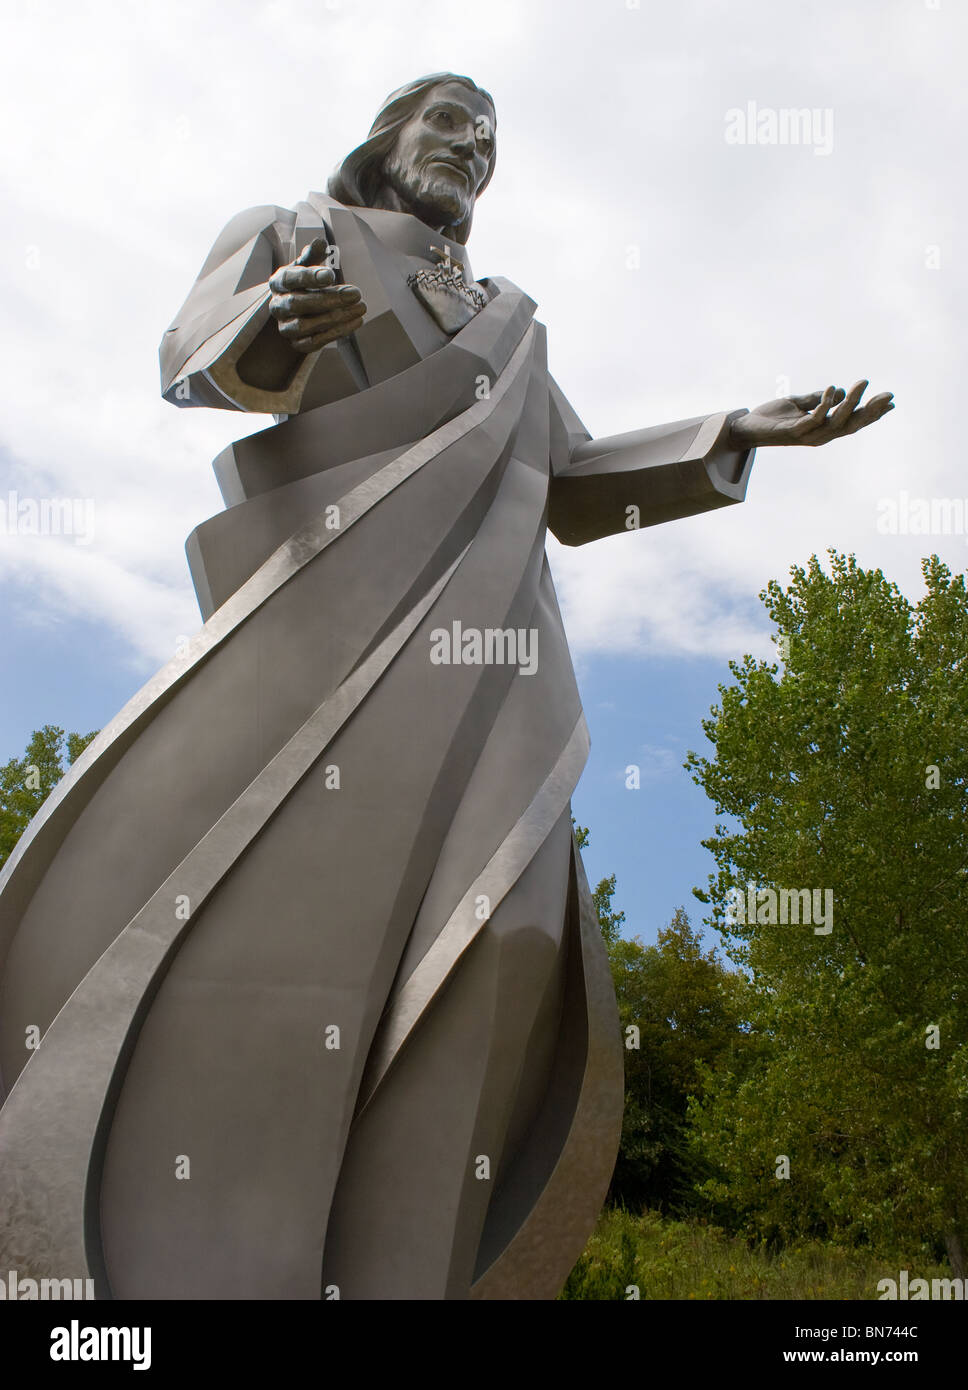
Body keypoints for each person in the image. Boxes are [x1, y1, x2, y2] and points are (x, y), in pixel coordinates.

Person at [0, 73, 893, 1301]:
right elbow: (193, 356)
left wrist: (732, 430)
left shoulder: (514, 320)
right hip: (333, 638)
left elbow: (572, 485)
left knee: (496, 941)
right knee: (262, 911)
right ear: (387, 135)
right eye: (448, 126)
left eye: (488, 141)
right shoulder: (303, 232)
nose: (469, 151)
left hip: (498, 676)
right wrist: (278, 327)